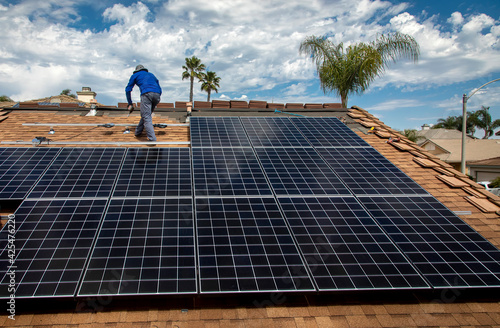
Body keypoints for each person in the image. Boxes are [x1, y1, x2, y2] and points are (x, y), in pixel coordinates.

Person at [125, 64, 162, 141]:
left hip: (146, 94)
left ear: (136, 71)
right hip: (157, 95)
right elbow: (159, 87)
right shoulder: (151, 75)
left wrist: (130, 103)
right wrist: (156, 96)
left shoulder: (135, 75)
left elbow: (128, 89)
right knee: (146, 114)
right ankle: (138, 132)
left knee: (146, 116)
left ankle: (152, 139)